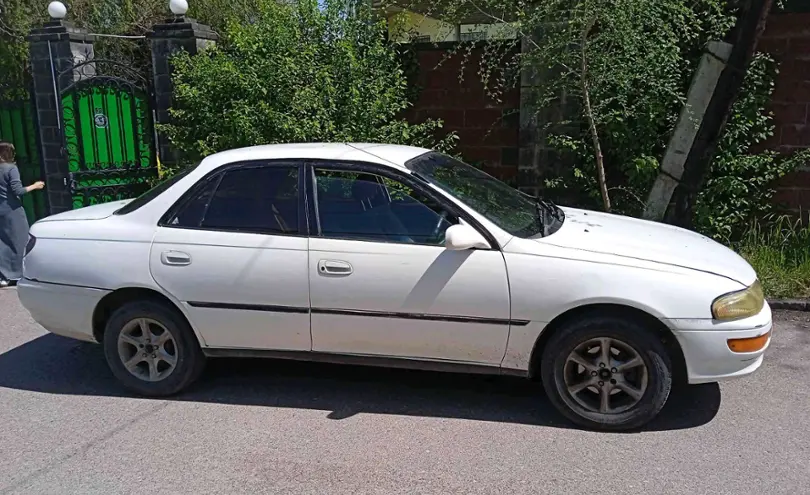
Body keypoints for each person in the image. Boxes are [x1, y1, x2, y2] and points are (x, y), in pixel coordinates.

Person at [0, 142, 44, 288]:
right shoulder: (11, 169)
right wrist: (35, 185)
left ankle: (4, 276)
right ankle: (20, 273)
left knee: (3, 243)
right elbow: (18, 190)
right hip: (13, 210)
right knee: (20, 241)